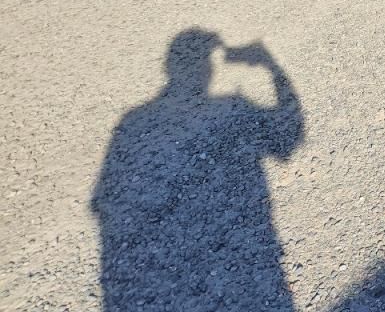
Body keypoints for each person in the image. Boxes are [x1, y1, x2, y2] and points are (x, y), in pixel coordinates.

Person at [92, 29, 303, 311]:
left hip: (155, 283)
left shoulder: (133, 122)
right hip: (247, 265)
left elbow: (105, 204)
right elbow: (289, 135)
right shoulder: (233, 107)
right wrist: (270, 65)